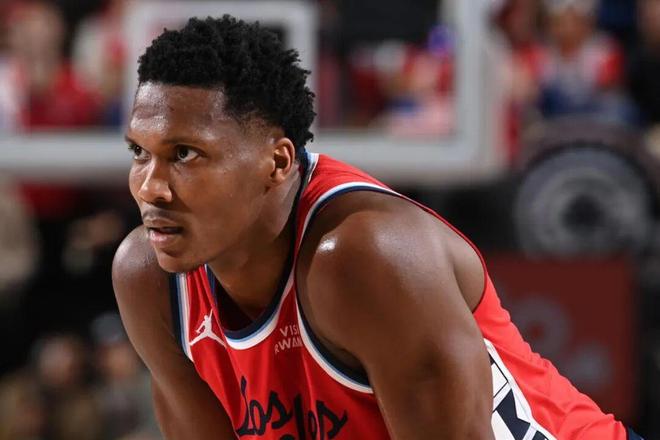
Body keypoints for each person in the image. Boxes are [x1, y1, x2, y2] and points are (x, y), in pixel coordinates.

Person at [112, 15, 642, 439]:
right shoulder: (149, 278)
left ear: (277, 162)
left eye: (185, 154)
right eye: (140, 152)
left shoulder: (365, 256)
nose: (151, 187)